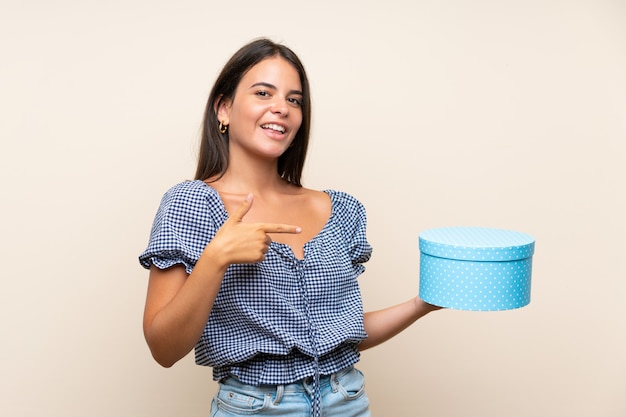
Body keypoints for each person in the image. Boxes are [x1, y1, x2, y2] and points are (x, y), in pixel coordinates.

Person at [139, 37, 441, 417]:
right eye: (263, 93)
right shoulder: (192, 205)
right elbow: (163, 349)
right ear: (224, 108)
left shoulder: (338, 209)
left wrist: (421, 305)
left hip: (347, 400)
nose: (281, 108)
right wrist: (217, 257)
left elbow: (336, 336)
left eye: (294, 100)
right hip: (255, 407)